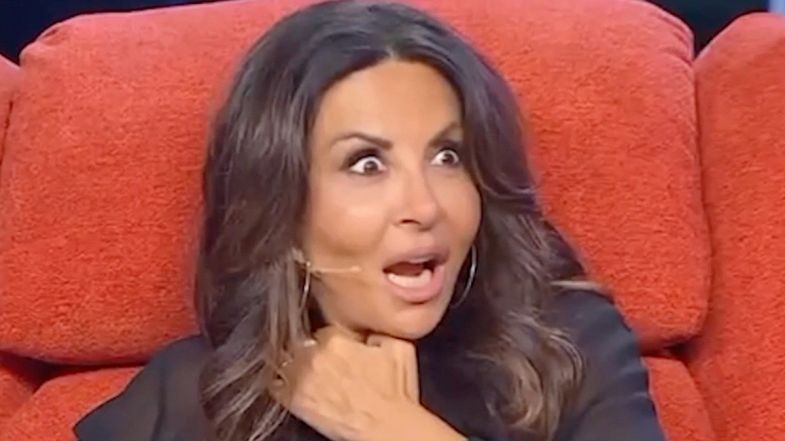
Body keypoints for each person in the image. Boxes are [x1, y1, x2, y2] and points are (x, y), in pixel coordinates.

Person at [73, 1, 667, 440]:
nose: (426, 206)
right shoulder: (194, 394)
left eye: (447, 156)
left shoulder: (568, 340)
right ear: (281, 211)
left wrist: (392, 429)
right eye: (367, 164)